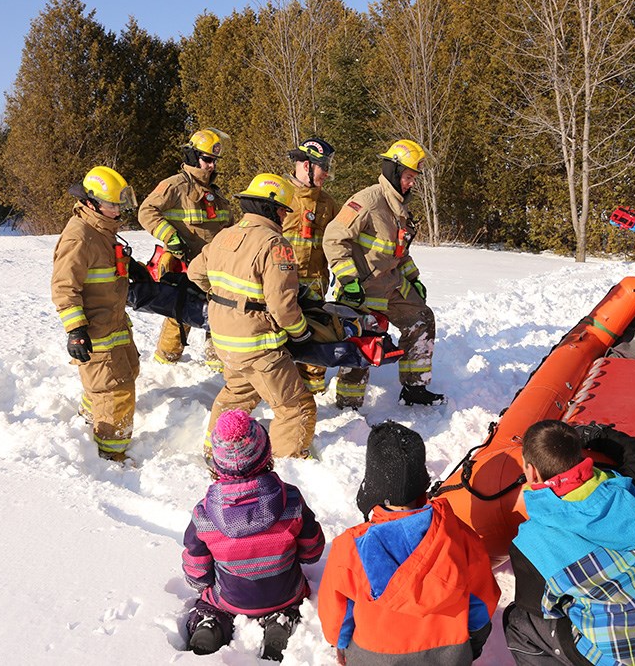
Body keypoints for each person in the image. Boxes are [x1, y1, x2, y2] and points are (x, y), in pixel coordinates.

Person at [503, 420, 635, 666]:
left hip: (620, 661)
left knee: (519, 621)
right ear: (580, 457)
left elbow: (544, 608)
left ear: (531, 472)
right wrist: (601, 434)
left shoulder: (530, 546)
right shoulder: (632, 490)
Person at [318, 421, 500, 664]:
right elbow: (482, 600)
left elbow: (337, 614)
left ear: (372, 485)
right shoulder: (460, 537)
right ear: (421, 483)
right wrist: (472, 644)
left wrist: (340, 645)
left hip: (373, 658)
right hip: (448, 656)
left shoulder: (350, 546)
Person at [187, 173, 317, 459]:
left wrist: (224, 298)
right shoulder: (275, 244)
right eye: (283, 209)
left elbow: (194, 272)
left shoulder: (224, 235)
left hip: (225, 339)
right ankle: (286, 466)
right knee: (295, 407)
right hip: (257, 344)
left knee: (237, 393)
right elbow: (282, 306)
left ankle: (215, 452)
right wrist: (300, 332)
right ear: (270, 208)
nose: (285, 216)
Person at [181, 409, 325, 660]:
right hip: (286, 592)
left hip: (231, 599)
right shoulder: (290, 500)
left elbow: (197, 568)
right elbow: (312, 551)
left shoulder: (204, 514)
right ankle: (281, 619)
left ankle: (209, 623)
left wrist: (199, 583)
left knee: (211, 604)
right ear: (265, 455)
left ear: (216, 463)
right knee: (291, 600)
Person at [322, 139, 444, 409]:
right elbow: (333, 239)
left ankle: (415, 388)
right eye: (408, 177)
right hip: (363, 291)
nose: (412, 183)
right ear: (394, 171)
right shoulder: (367, 201)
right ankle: (348, 404)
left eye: (414, 178)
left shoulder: (399, 208)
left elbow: (399, 252)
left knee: (422, 318)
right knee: (364, 341)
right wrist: (348, 280)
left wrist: (414, 278)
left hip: (392, 285)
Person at [51, 165, 140, 462]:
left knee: (124, 374)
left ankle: (89, 416)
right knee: (117, 395)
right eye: (113, 204)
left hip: (114, 326)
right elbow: (65, 286)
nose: (119, 209)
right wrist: (75, 330)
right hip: (97, 333)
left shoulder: (102, 230)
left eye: (120, 203)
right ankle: (109, 457)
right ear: (91, 202)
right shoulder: (80, 237)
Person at [138, 129, 232, 369]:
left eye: (214, 161)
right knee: (180, 312)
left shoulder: (215, 194)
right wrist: (171, 237)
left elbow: (227, 225)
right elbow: (146, 212)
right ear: (192, 156)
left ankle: (217, 365)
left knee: (219, 310)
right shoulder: (174, 186)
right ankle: (165, 363)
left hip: (216, 265)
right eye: (207, 159)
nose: (211, 166)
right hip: (185, 262)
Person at [283, 137, 338, 395]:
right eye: (322, 166)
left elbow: (340, 240)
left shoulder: (328, 204)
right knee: (276, 338)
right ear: (306, 165)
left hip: (315, 285)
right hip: (280, 284)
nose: (326, 173)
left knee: (314, 337)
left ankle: (313, 394)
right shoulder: (279, 195)